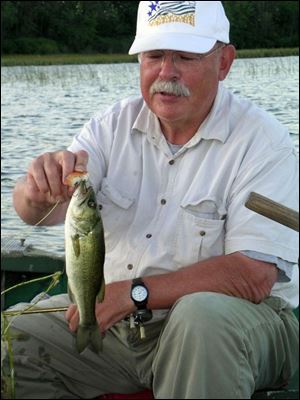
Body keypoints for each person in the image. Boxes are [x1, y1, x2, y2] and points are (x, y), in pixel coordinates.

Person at [6, 1, 299, 399]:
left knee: (200, 320)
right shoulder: (110, 126)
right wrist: (37, 191)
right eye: (154, 56)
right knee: (11, 338)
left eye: (184, 56)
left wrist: (132, 292)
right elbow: (36, 211)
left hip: (237, 325)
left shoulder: (265, 143)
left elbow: (253, 276)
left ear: (224, 62)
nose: (166, 73)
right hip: (120, 323)